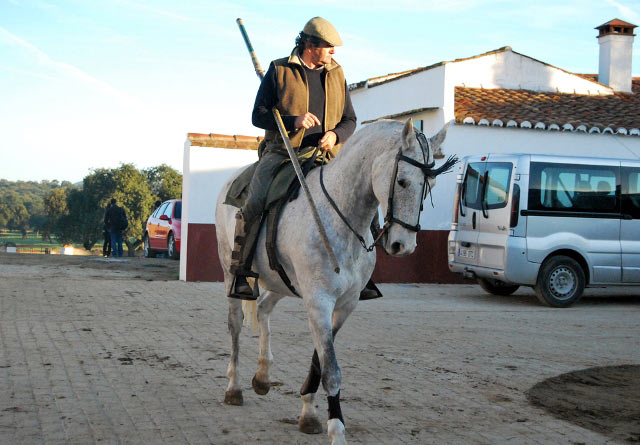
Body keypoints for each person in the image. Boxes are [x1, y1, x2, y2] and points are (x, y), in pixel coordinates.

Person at [229, 17, 380, 301]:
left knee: (367, 196)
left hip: (327, 155)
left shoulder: (337, 73)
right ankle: (241, 272)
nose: (334, 52)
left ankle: (364, 274)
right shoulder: (279, 70)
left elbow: (350, 120)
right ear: (311, 45)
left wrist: (335, 135)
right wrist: (293, 121)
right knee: (255, 200)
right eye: (329, 47)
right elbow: (257, 115)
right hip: (283, 154)